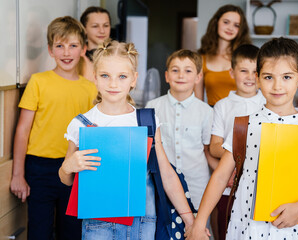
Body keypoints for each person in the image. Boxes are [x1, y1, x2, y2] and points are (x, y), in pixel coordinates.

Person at [185, 37, 298, 240]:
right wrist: (199, 223)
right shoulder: (243, 126)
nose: (277, 86)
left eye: (287, 77)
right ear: (258, 78)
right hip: (248, 229)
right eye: (269, 77)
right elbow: (220, 177)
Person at [58, 40, 195, 239]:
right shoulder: (81, 123)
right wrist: (68, 166)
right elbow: (65, 178)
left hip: (143, 223)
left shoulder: (147, 121)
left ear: (134, 79)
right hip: (97, 223)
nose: (113, 84)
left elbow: (166, 174)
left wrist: (190, 221)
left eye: (122, 76)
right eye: (105, 76)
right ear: (94, 78)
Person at [10, 16, 97, 240]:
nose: (66, 52)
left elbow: (93, 133)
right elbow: (22, 131)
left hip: (76, 168)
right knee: (39, 231)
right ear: (50, 50)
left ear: (83, 50)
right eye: (60, 46)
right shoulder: (38, 82)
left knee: (72, 232)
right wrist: (18, 174)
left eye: (73, 46)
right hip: (39, 168)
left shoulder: (90, 89)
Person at [146, 49, 217, 210]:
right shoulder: (152, 107)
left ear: (198, 77)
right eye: (175, 70)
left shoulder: (206, 111)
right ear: (167, 76)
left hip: (197, 186)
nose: (181, 75)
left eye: (188, 70)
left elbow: (207, 150)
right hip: (161, 184)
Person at [210, 44, 266, 240]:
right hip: (228, 186)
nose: (250, 77)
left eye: (255, 72)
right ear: (232, 72)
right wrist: (235, 157)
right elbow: (215, 146)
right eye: (244, 71)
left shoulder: (267, 103)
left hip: (260, 187)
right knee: (226, 231)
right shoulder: (222, 106)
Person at [195, 4, 252, 106]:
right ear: (216, 23)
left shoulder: (246, 58)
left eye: (236, 25)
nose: (230, 28)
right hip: (213, 116)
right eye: (226, 22)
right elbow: (198, 101)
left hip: (241, 115)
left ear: (241, 30)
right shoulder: (201, 58)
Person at [78, 6, 111, 82]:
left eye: (106, 26)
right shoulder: (76, 57)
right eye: (95, 26)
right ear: (84, 29)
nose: (102, 31)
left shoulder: (120, 55)